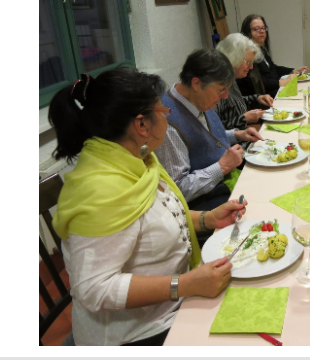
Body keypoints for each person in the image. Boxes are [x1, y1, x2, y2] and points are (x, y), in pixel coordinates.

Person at [48, 69, 246, 345]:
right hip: (136, 334)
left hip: (171, 304)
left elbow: (153, 216)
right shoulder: (100, 189)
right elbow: (93, 289)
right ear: (142, 125)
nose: (167, 116)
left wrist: (207, 219)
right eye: (163, 110)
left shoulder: (134, 159)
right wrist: (186, 284)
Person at [155, 49, 263, 214]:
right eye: (221, 90)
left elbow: (202, 137)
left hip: (227, 182)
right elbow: (176, 191)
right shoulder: (168, 124)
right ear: (196, 84)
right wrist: (222, 167)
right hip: (208, 203)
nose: (225, 96)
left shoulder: (198, 98)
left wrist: (236, 134)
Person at [238, 14, 308, 98]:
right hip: (262, 97)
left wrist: (293, 70)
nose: (262, 31)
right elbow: (255, 82)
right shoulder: (246, 54)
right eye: (256, 29)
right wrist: (282, 82)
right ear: (247, 32)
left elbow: (273, 68)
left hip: (274, 90)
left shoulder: (261, 49)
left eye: (263, 28)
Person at [214, 33, 275, 130]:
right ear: (233, 59)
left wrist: (257, 98)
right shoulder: (215, 85)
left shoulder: (231, 77)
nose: (251, 67)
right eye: (248, 62)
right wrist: (244, 119)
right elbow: (214, 129)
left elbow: (236, 103)